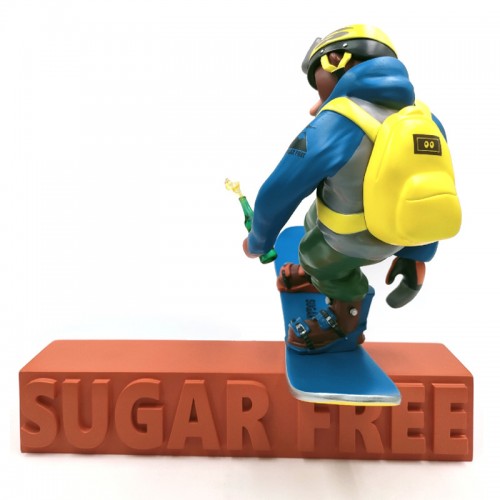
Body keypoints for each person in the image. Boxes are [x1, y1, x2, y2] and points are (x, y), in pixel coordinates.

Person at [243, 25, 443, 352]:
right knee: (314, 216)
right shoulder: (425, 118)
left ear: (336, 60)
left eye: (318, 81)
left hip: (354, 241)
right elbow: (432, 186)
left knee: (315, 254)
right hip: (400, 231)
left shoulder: (337, 122)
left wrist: (258, 240)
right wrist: (417, 254)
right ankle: (323, 275)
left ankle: (346, 312)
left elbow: (280, 189)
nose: (318, 99)